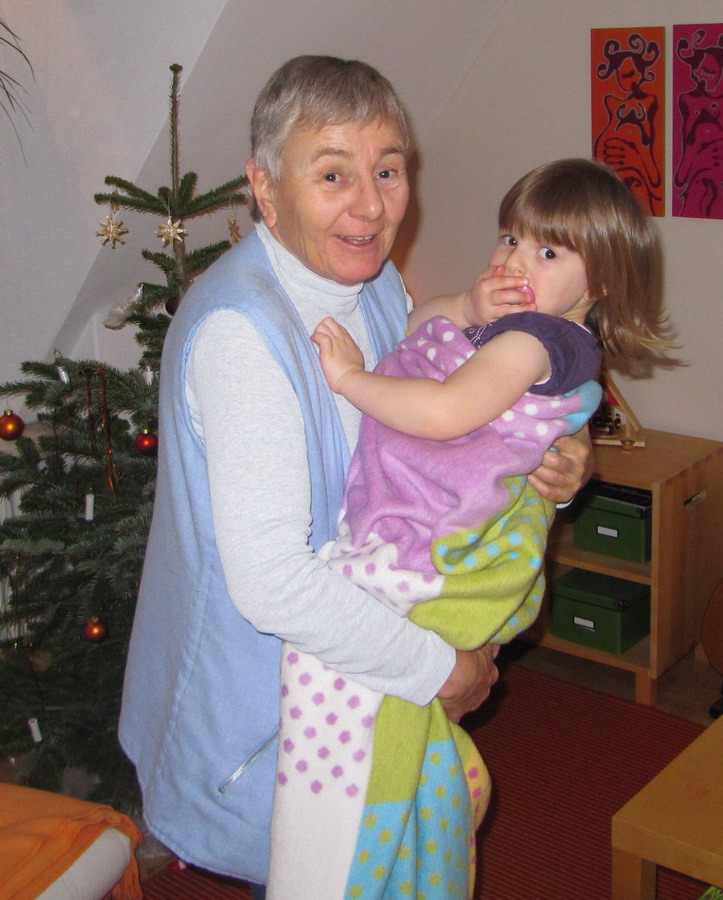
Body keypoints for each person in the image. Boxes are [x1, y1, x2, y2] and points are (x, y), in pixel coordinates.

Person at [118, 57, 591, 899]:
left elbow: (437, 385)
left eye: (387, 171)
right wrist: (440, 668)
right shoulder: (240, 336)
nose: (369, 206)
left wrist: (561, 454)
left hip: (353, 675)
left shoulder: (367, 280)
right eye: (332, 174)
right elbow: (272, 583)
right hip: (264, 709)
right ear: (266, 189)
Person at [267, 157, 668, 899]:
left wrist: (349, 379)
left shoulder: (534, 343)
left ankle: (376, 832)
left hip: (434, 541)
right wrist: (464, 301)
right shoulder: (515, 328)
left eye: (547, 252)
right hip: (425, 522)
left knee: (352, 686)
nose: (514, 261)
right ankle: (432, 780)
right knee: (390, 705)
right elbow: (414, 327)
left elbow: (448, 412)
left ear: (603, 281)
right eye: (510, 238)